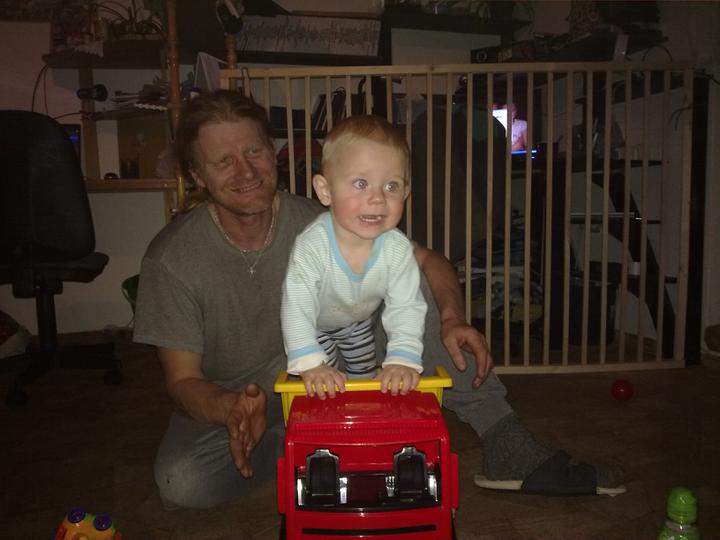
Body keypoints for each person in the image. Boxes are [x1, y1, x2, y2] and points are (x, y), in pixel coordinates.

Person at [133, 90, 625, 510]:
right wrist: (230, 409)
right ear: (197, 175)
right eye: (223, 161)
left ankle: (504, 441)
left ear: (273, 152)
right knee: (182, 482)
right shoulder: (172, 259)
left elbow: (429, 260)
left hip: (340, 367)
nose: (245, 171)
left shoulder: (327, 217)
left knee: (402, 272)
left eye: (254, 152)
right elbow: (182, 381)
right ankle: (322, 445)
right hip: (249, 397)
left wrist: (452, 318)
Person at [282, 115, 426, 399]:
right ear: (325, 191)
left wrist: (402, 357)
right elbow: (296, 304)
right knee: (324, 387)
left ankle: (363, 415)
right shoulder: (312, 246)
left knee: (364, 381)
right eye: (361, 183)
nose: (378, 198)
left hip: (357, 325)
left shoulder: (397, 249)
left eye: (392, 186)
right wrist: (311, 363)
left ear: (406, 193)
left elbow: (407, 305)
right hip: (314, 328)